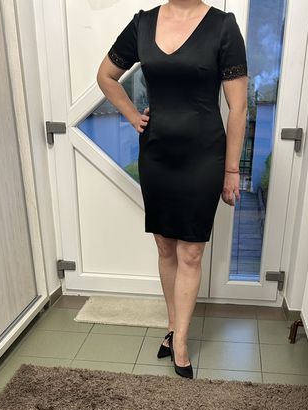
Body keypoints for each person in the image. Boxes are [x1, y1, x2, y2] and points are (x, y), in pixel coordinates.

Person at [97, 2, 248, 379]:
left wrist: (231, 169)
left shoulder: (223, 26)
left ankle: (181, 340)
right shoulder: (143, 24)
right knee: (165, 246)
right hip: (157, 155)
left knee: (191, 252)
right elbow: (106, 76)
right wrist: (133, 115)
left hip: (204, 157)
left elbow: (238, 107)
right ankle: (171, 325)